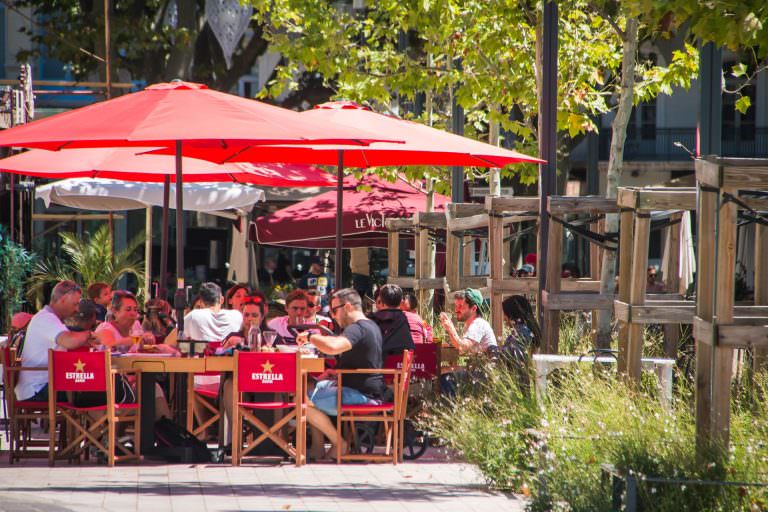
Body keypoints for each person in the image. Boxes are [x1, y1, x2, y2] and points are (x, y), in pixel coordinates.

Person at [296, 288, 386, 460]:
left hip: (361, 395)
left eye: (334, 310)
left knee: (300, 400)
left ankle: (339, 443)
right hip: (364, 390)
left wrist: (310, 337)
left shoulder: (357, 328)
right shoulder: (370, 325)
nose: (332, 315)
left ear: (348, 307)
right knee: (308, 388)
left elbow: (334, 346)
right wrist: (336, 372)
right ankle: (318, 448)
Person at [15, 281, 106, 403]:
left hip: (44, 385)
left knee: (98, 385)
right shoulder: (46, 318)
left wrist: (85, 341)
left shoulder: (51, 319)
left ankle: (93, 421)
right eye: (75, 304)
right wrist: (89, 334)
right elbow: (70, 341)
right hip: (38, 389)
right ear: (62, 299)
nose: (77, 309)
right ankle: (103, 420)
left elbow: (70, 341)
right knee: (101, 388)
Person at [438, 288, 497, 353]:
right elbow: (463, 349)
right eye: (456, 306)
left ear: (473, 308)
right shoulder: (469, 324)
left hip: (487, 363)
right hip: (479, 362)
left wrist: (451, 329)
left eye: (460, 306)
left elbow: (462, 347)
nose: (456, 310)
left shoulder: (478, 324)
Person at [371, 284, 415, 357]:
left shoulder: (373, 318)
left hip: (379, 364)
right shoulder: (403, 318)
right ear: (401, 302)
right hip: (401, 364)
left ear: (381, 301)